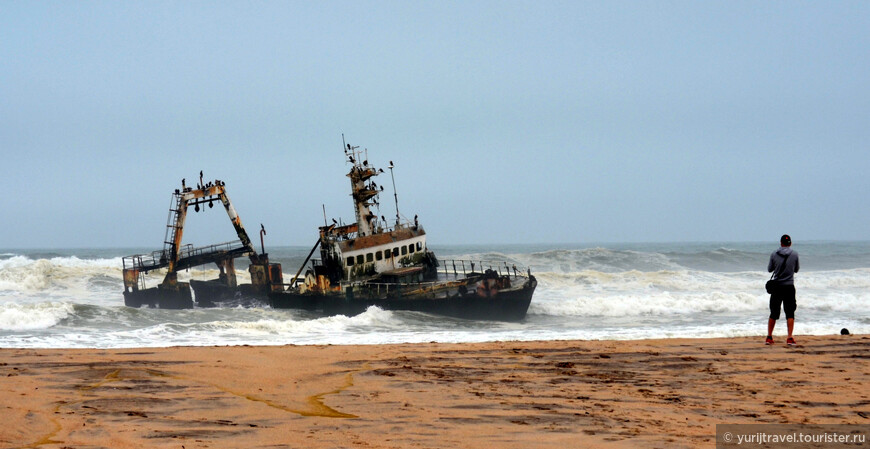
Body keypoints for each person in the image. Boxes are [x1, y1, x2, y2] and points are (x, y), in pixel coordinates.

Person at [766, 234, 800, 346]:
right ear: (790, 243)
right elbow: (796, 269)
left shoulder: (774, 254)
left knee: (774, 312)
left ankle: (769, 337)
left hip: (777, 287)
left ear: (781, 243)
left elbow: (769, 269)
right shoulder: (794, 254)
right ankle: (790, 338)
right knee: (790, 313)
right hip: (789, 287)